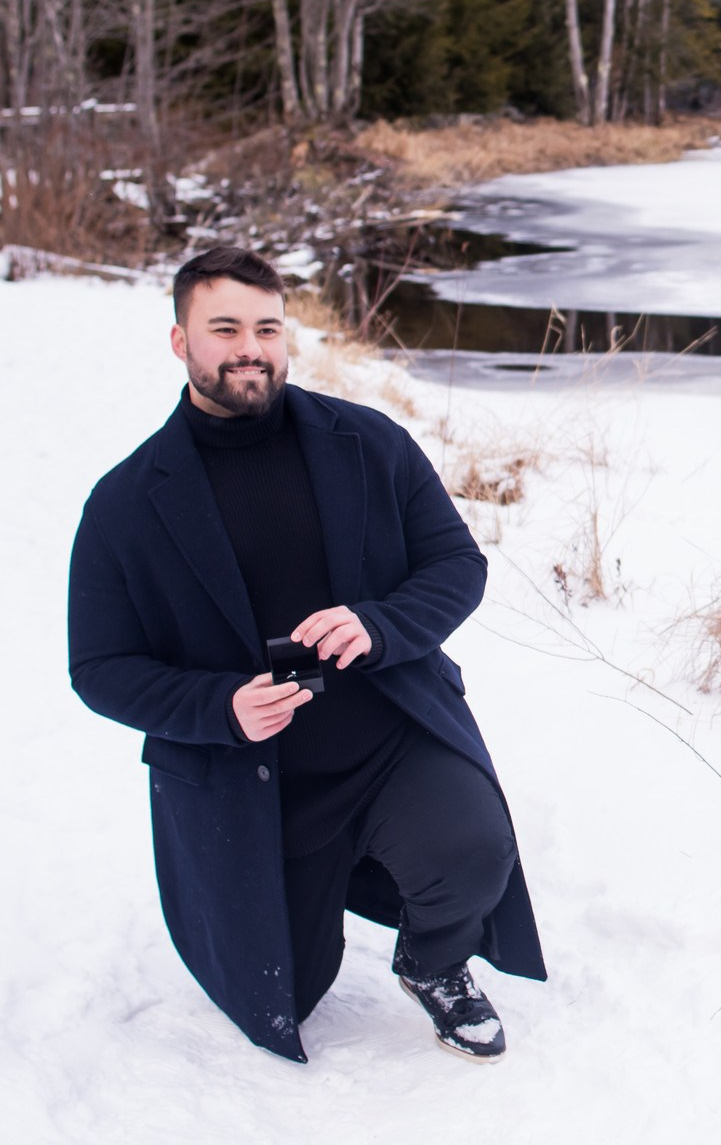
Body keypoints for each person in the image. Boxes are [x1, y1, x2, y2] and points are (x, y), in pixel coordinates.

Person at [68, 247, 543, 1063]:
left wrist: (380, 625)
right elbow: (100, 667)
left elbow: (457, 565)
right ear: (181, 342)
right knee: (289, 991)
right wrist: (219, 709)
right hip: (254, 778)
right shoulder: (126, 501)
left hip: (387, 735)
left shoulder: (366, 443)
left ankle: (433, 965)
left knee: (475, 852)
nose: (249, 347)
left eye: (266, 327)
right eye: (224, 328)